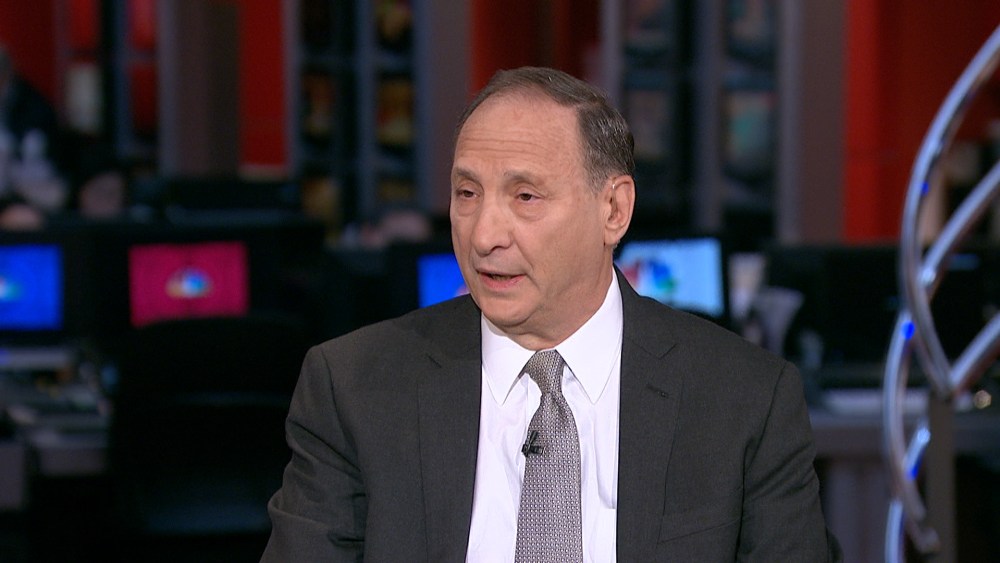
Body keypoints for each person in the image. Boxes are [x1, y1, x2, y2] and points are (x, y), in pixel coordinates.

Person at [262, 66, 840, 561]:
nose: (484, 236)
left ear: (614, 210)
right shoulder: (352, 387)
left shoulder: (746, 400)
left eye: (525, 197)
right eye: (467, 194)